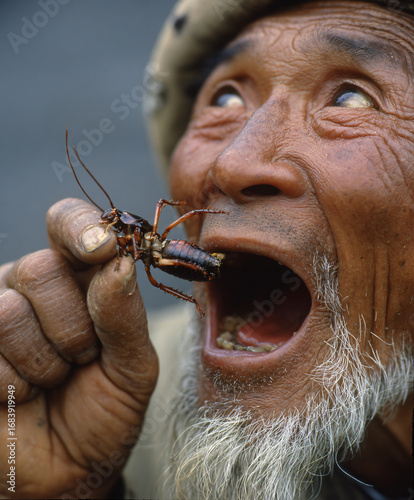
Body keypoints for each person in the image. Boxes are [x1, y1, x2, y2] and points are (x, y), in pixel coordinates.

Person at [0, 0, 413, 498]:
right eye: (226, 99)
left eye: (349, 99)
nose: (232, 163)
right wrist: (63, 489)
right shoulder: (106, 390)